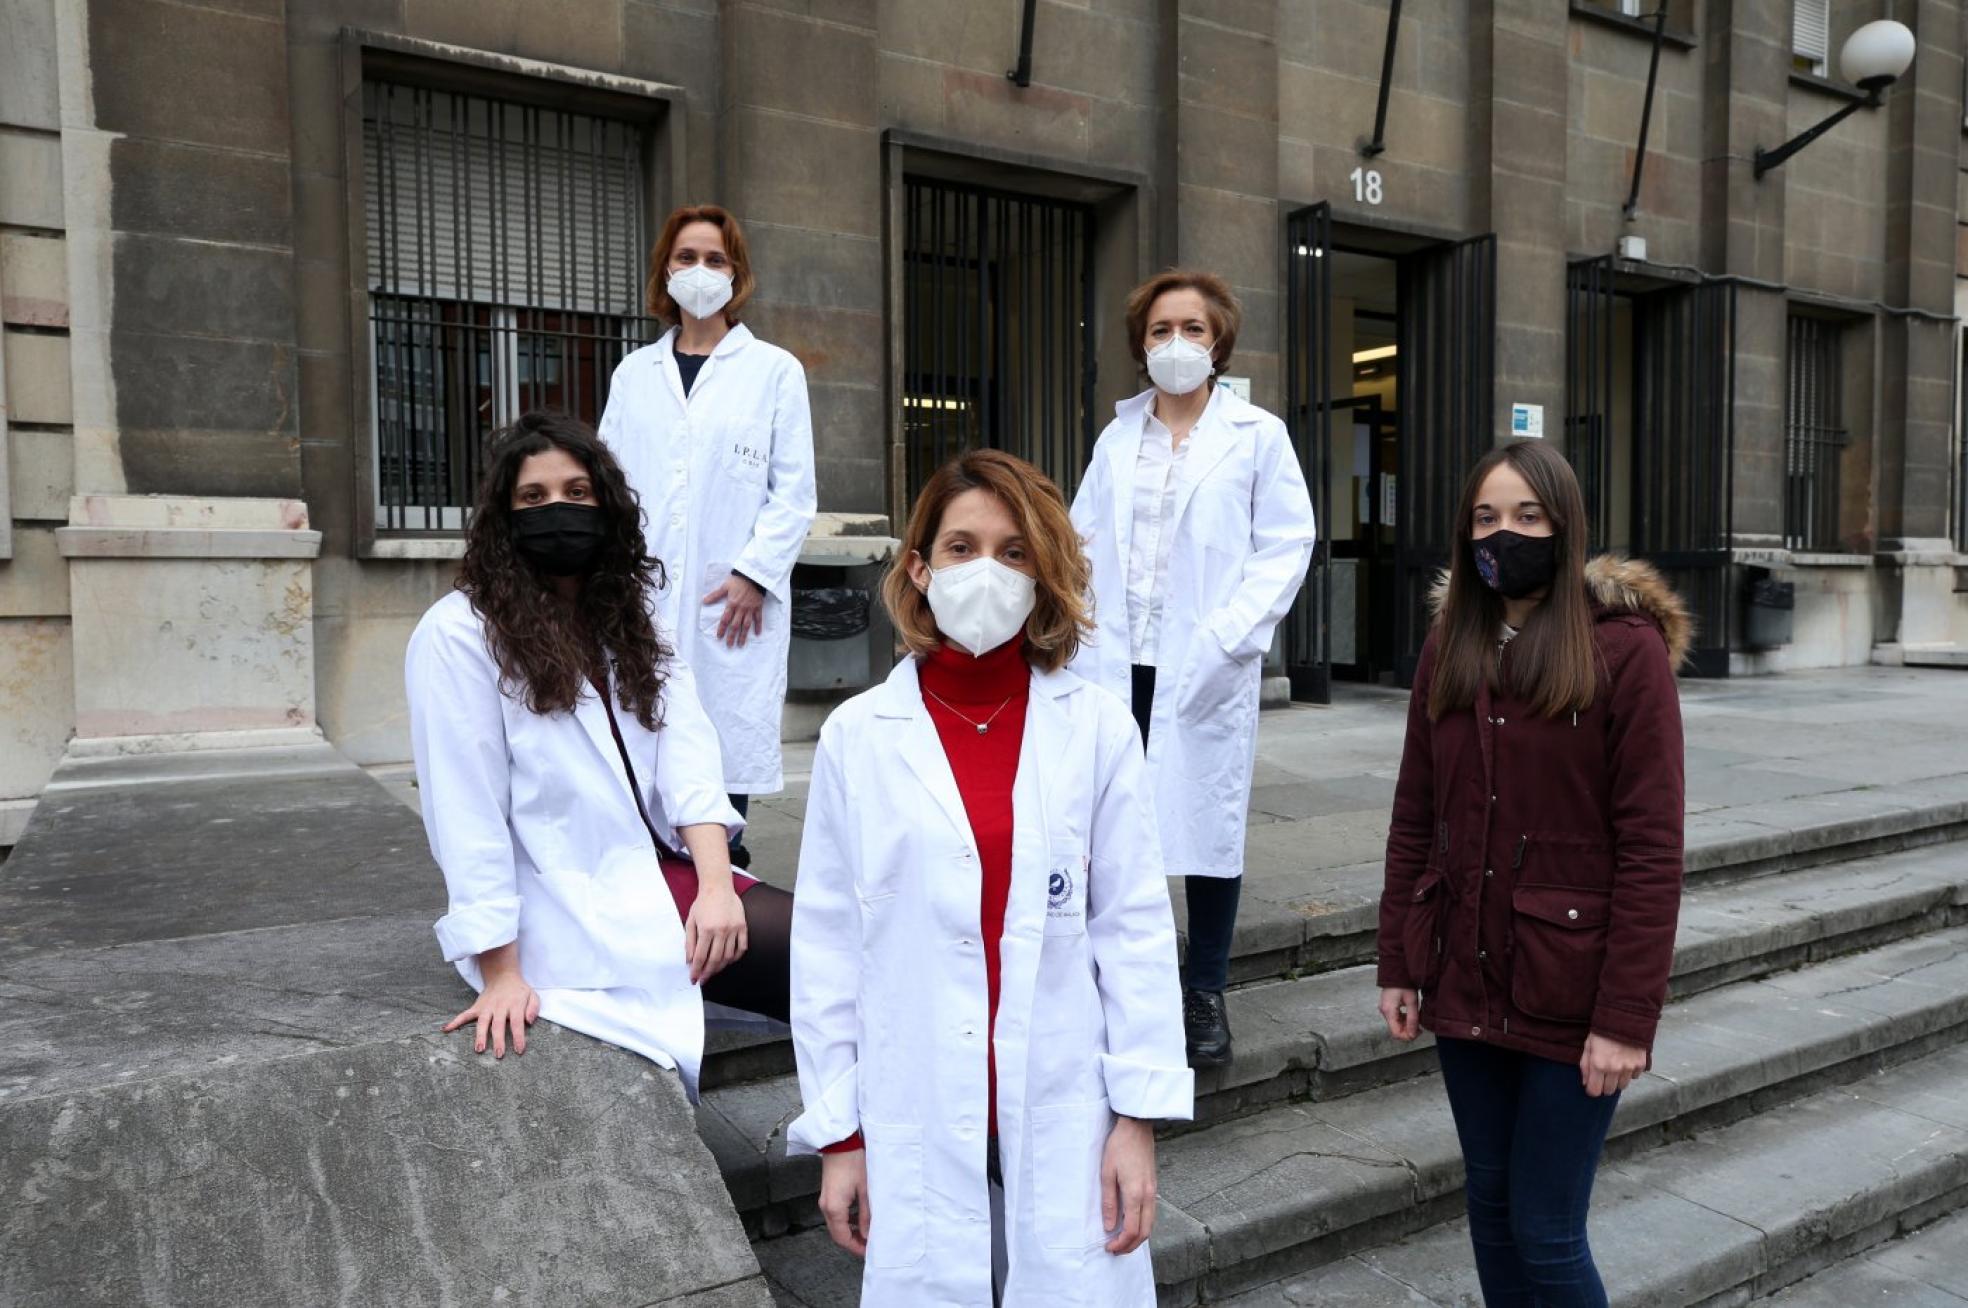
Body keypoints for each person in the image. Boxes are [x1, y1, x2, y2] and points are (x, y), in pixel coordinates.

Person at [787, 450, 1193, 1307]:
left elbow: (1135, 932)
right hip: (914, 1106)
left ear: (1044, 575)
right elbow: (827, 949)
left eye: (1014, 553)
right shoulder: (858, 738)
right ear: (919, 567)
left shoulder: (1096, 730)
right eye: (962, 547)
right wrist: (839, 1137)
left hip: (1064, 1107)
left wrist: (1138, 1120)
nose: (987, 572)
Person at [1375, 439, 1689, 1307]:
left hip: (1571, 991)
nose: (1502, 534)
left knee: (1547, 1230)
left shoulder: (1625, 655)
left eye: (1526, 516)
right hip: (1462, 973)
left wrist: (1627, 1017)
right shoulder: (1451, 648)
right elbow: (1414, 816)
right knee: (1490, 1203)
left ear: (1564, 526)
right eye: (1485, 517)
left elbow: (1653, 848)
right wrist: (1399, 962)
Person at [406, 412, 794, 1094]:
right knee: (829, 968)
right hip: (570, 896)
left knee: (852, 959)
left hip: (675, 873)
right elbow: (465, 812)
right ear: (504, 517)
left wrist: (716, 885)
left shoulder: (629, 618)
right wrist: (501, 970)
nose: (558, 510)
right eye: (534, 498)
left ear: (607, 506)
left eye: (577, 492)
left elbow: (688, 757)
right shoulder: (458, 636)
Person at [1069, 269, 1318, 1068]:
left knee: (1208, 829)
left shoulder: (1257, 436)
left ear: (1219, 343)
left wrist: (1228, 637)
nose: (1176, 344)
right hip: (1117, 660)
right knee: (1110, 822)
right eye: (1160, 331)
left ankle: (1203, 993)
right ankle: (1115, 979)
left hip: (1203, 662)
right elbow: (1078, 542)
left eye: (1193, 330)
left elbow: (1286, 544)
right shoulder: (1116, 438)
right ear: (1142, 346)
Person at [599, 203, 817, 871]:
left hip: (732, 600)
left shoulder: (775, 370)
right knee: (644, 728)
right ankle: (656, 868)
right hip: (643, 595)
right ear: (665, 271)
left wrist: (755, 574)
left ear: (737, 274)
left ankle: (727, 868)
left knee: (726, 731)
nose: (700, 272)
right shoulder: (635, 373)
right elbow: (606, 480)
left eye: (715, 259)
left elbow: (794, 492)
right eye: (686, 258)